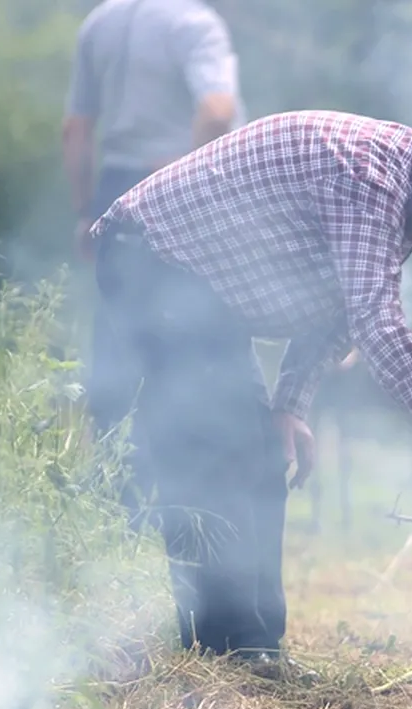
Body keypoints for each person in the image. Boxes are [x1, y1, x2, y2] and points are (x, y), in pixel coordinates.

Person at [87, 111, 412, 676]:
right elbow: (374, 321)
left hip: (197, 291)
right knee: (220, 451)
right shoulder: (368, 177)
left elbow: (335, 311)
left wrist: (290, 405)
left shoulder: (399, 198)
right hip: (151, 260)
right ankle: (230, 648)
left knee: (258, 453)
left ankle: (244, 647)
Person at [61, 0, 245, 523]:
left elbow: (75, 130)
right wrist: (195, 186)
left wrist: (84, 212)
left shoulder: (99, 21)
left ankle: (118, 507)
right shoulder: (196, 24)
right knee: (190, 349)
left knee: (118, 348)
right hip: (176, 188)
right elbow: (216, 110)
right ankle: (189, 503)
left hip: (115, 193)